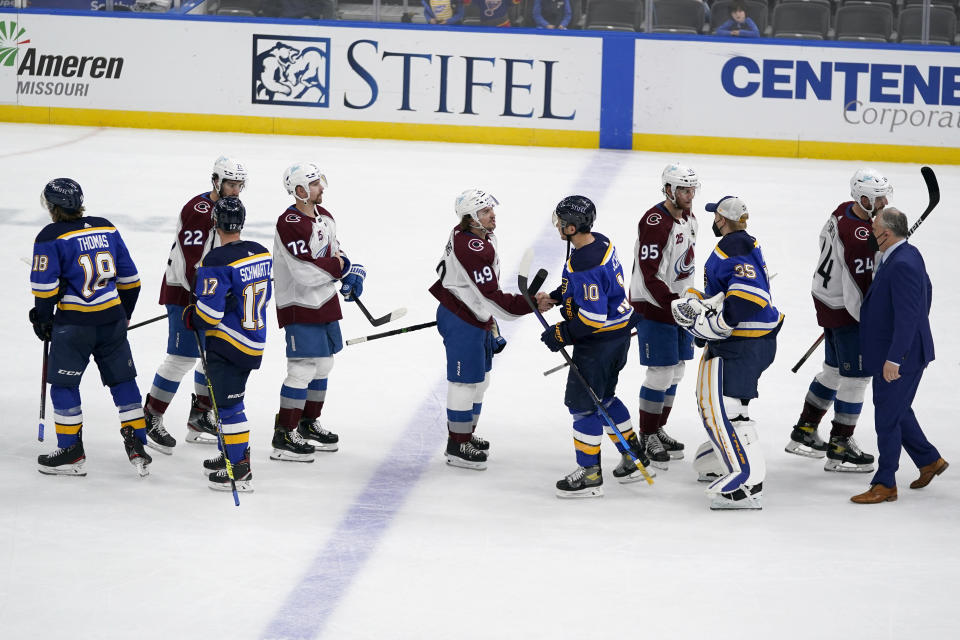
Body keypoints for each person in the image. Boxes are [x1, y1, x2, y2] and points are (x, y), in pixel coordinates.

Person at [29, 178, 152, 477]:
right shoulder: (105, 227)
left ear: (53, 207)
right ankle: (137, 442)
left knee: (64, 384)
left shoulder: (50, 236)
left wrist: (42, 318)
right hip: (111, 321)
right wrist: (124, 315)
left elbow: (45, 290)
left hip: (74, 326)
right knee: (123, 381)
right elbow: (131, 282)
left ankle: (71, 451)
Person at [671, 196, 782, 510]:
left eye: (715, 216)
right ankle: (719, 460)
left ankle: (747, 484)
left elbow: (749, 296)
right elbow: (729, 291)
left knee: (728, 406)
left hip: (744, 343)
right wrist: (704, 311)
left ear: (721, 219)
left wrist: (717, 323)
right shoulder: (744, 242)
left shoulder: (733, 247)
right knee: (733, 406)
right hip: (751, 341)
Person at [539, 195, 653, 498]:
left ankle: (590, 475)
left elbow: (592, 316)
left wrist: (561, 333)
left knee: (582, 406)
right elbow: (594, 290)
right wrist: (557, 296)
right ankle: (634, 457)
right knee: (605, 397)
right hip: (618, 337)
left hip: (598, 343)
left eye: (561, 222)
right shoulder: (600, 243)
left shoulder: (583, 262)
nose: (558, 226)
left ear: (572, 226)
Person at [785, 169, 891, 473]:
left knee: (832, 370)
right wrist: (868, 324)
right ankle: (840, 446)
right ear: (862, 199)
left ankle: (805, 431)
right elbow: (859, 289)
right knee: (856, 379)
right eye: (878, 198)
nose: (884, 202)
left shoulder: (841, 213)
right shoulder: (859, 238)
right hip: (846, 311)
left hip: (826, 301)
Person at [143, 156, 247, 453]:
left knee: (210, 356)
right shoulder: (198, 210)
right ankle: (151, 415)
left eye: (239, 184)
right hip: (185, 293)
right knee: (182, 359)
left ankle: (201, 415)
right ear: (216, 180)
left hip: (210, 293)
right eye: (230, 183)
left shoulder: (230, 208)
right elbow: (191, 263)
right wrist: (205, 297)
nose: (235, 189)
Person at [429, 188, 533, 470]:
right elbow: (490, 295)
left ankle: (466, 434)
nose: (492, 215)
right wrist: (528, 305)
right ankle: (457, 444)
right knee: (464, 382)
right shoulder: (471, 247)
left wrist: (491, 320)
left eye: (491, 210)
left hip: (474, 314)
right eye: (485, 211)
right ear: (470, 218)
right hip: (462, 318)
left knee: (480, 381)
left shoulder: (479, 236)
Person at [851, 208, 947, 504]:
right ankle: (929, 460)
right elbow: (925, 294)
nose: (870, 230)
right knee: (898, 409)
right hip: (900, 350)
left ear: (887, 233)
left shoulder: (902, 263)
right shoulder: (906, 254)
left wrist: (896, 357)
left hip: (899, 357)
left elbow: (908, 315)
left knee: (887, 419)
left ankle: (885, 483)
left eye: (874, 226)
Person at [272, 162, 365, 462]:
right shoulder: (289, 223)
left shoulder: (325, 216)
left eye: (319, 182)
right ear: (299, 190)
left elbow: (336, 251)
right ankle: (284, 435)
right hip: (298, 303)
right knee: (301, 369)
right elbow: (304, 272)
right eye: (314, 184)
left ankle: (307, 423)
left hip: (324, 302)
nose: (321, 187)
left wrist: (351, 272)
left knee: (323, 365)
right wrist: (341, 269)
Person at [182, 197, 272, 492]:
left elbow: (208, 315)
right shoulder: (260, 252)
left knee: (229, 407)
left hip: (228, 343)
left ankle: (239, 471)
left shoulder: (215, 260)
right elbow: (263, 295)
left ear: (214, 223)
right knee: (226, 402)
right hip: (254, 338)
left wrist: (191, 314)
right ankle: (228, 455)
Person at [628, 162, 700, 470]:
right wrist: (672, 302)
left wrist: (691, 299)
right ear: (669, 189)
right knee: (660, 371)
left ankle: (657, 427)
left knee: (677, 370)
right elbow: (648, 274)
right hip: (655, 306)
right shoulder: (656, 222)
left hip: (678, 306)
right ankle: (647, 435)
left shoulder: (690, 218)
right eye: (683, 189)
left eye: (692, 189)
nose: (689, 195)